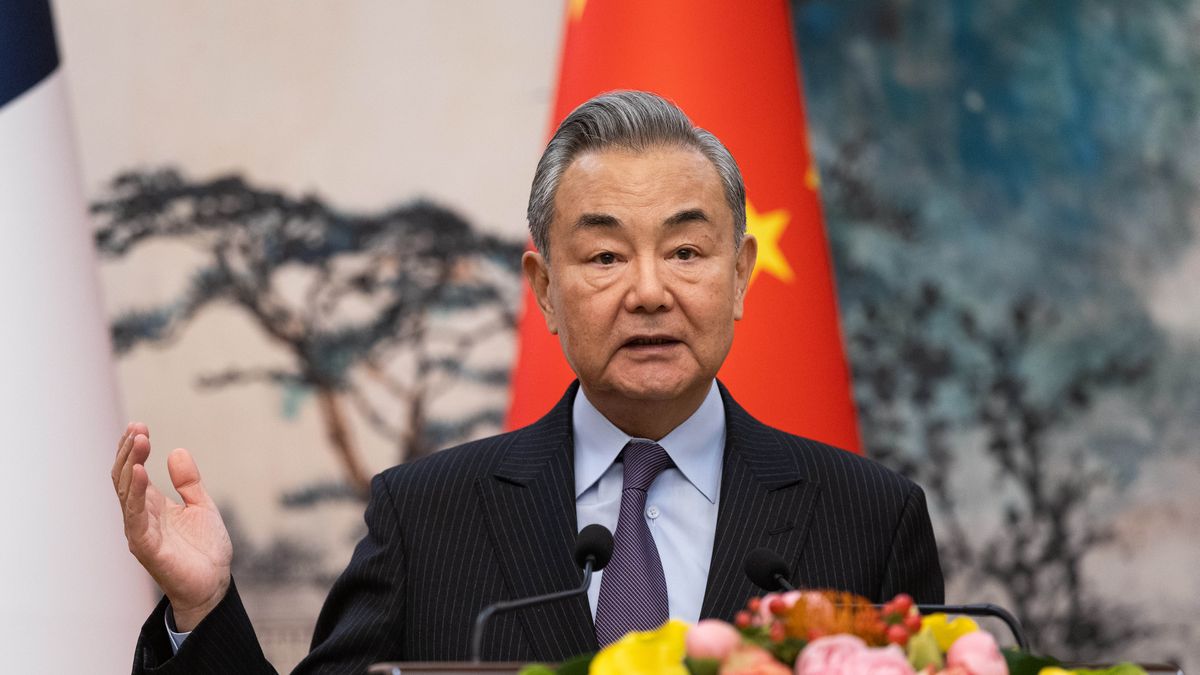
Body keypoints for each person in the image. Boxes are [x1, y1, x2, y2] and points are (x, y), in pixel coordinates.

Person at [112, 90, 943, 673]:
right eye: (606, 255)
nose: (649, 290)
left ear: (740, 275)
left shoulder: (870, 519)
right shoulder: (426, 518)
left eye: (686, 251)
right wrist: (203, 609)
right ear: (544, 289)